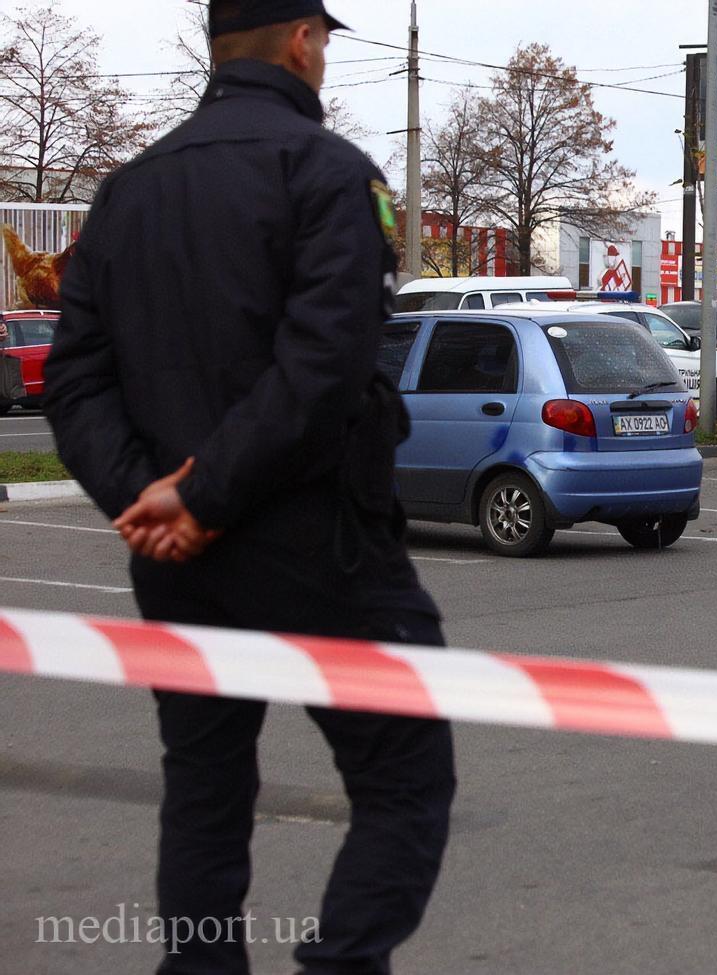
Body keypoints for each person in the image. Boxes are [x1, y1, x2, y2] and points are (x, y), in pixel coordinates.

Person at [41, 3, 456, 973]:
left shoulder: (126, 193)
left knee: (204, 794)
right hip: (319, 549)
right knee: (403, 781)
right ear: (303, 41)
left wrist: (147, 501)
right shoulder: (330, 175)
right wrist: (204, 495)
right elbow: (323, 370)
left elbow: (74, 381)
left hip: (178, 566)